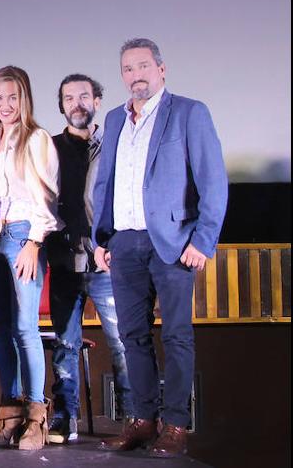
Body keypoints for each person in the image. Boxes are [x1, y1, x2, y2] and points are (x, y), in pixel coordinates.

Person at [92, 39, 227, 458]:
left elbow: (213, 181)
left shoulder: (189, 112)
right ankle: (142, 421)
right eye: (128, 69)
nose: (137, 75)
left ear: (162, 70)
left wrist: (203, 240)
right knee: (132, 335)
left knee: (177, 335)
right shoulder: (115, 119)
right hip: (125, 242)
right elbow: (106, 182)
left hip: (173, 242)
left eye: (144, 66)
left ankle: (175, 426)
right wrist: (103, 238)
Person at [0, 65, 60, 451]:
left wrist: (34, 242)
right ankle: (9, 407)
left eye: (13, 97)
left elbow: (47, 197)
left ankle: (36, 415)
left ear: (24, 100)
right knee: (0, 327)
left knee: (25, 327)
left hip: (22, 233)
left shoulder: (36, 138)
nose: (5, 104)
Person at [46, 73, 131, 444]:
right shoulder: (48, 147)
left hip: (107, 263)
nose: (76, 103)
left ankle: (136, 419)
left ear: (98, 100)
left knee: (123, 343)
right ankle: (65, 418)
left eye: (84, 96)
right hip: (64, 261)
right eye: (69, 98)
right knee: (65, 343)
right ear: (61, 105)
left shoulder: (116, 142)